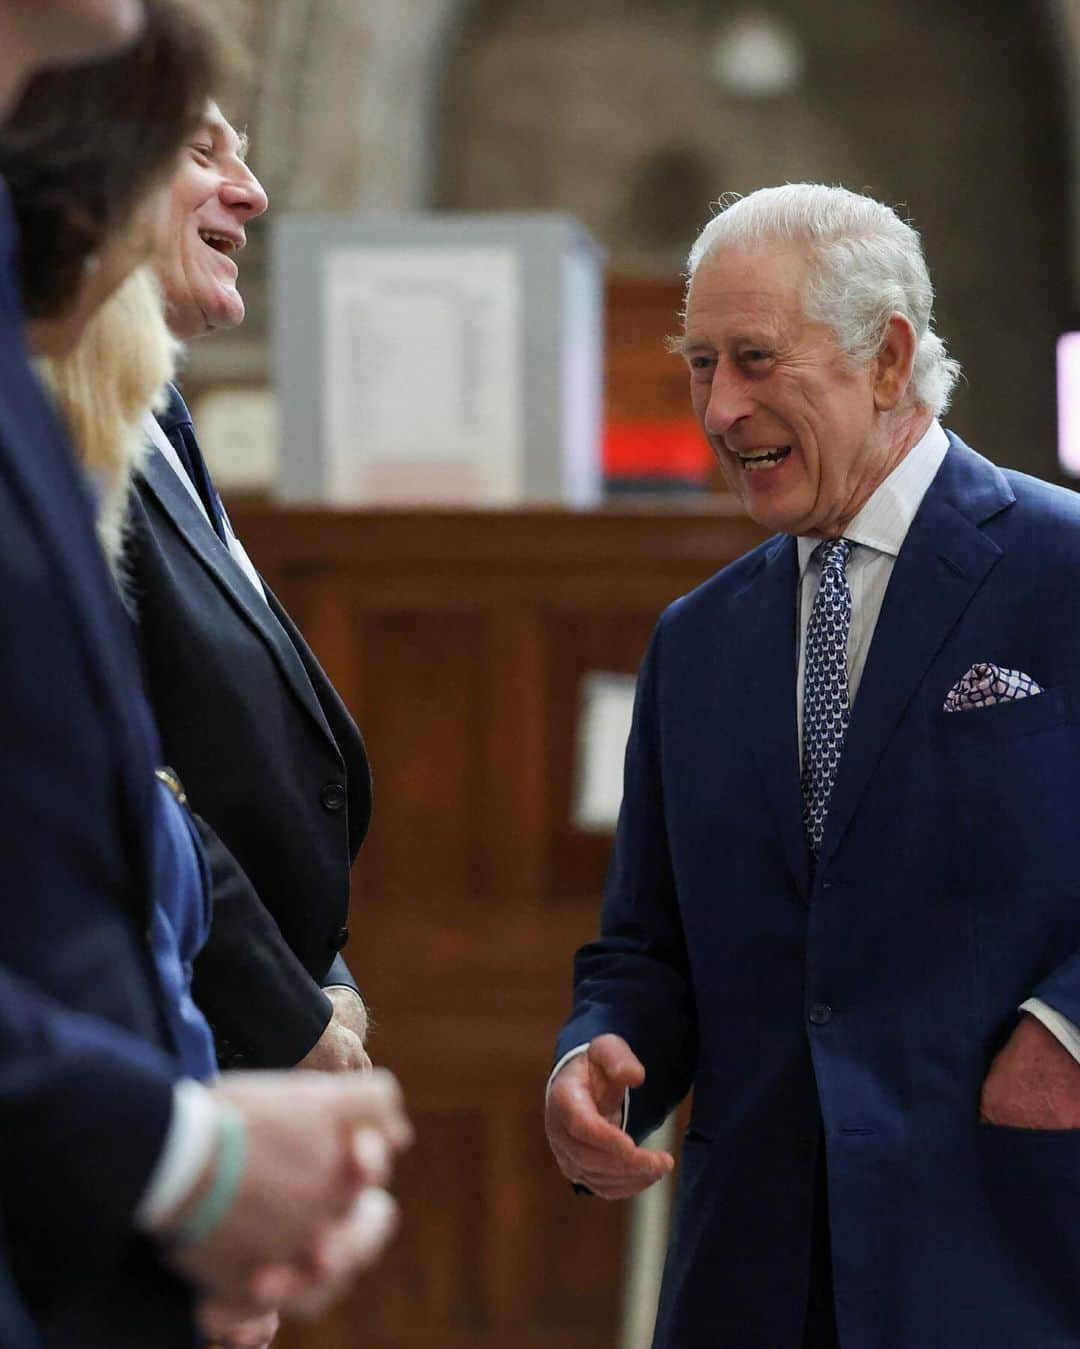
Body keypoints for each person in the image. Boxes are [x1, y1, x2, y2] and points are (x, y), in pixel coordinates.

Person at [545, 183, 1080, 1349]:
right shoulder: (696, 640)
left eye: (754, 358)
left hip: (1014, 1255)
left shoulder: (1065, 570)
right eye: (699, 363)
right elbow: (646, 942)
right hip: (753, 1279)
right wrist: (595, 1060)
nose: (721, 407)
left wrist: (1070, 1032)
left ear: (887, 357)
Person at [0, 6, 409, 1345]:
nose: (252, 189)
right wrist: (187, 1153)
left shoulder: (127, 393)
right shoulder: (55, 378)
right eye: (197, 147)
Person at [130, 99, 372, 1072]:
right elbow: (117, 776)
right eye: (202, 151)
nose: (253, 190)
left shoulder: (156, 418)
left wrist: (329, 979)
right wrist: (286, 1013)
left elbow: (228, 753)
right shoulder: (45, 430)